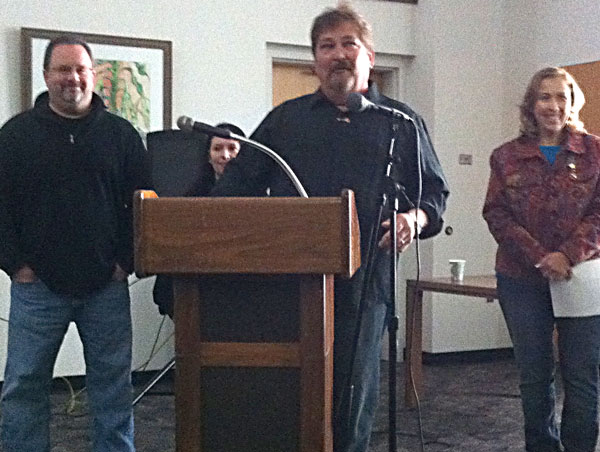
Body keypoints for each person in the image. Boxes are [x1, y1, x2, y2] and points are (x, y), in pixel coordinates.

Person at [212, 4, 449, 451]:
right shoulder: (286, 119)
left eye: (348, 44)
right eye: (327, 46)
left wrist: (413, 219)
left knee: (351, 399)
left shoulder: (400, 122)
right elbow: (238, 186)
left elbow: (434, 196)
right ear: (315, 59)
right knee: (285, 395)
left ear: (370, 57)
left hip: (365, 286)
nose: (337, 53)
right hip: (288, 284)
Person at [0, 35, 150, 452]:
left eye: (81, 69)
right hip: (37, 289)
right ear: (46, 75)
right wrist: (15, 264)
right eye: (63, 69)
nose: (73, 78)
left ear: (93, 74)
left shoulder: (121, 136)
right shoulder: (15, 136)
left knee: (113, 389)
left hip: (106, 285)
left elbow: (144, 202)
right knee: (24, 387)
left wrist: (127, 260)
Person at [483, 67, 600, 452]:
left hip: (580, 278)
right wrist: (541, 258)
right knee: (534, 378)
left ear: (573, 103)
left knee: (582, 377)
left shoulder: (596, 153)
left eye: (562, 97)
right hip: (521, 278)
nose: (553, 106)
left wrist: (566, 256)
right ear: (531, 105)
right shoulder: (505, 157)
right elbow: (497, 214)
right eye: (544, 97)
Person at [152, 123, 245, 317]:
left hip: (243, 294)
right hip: (197, 294)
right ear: (208, 156)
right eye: (217, 149)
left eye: (232, 149)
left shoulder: (262, 199)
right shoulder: (192, 197)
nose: (225, 156)